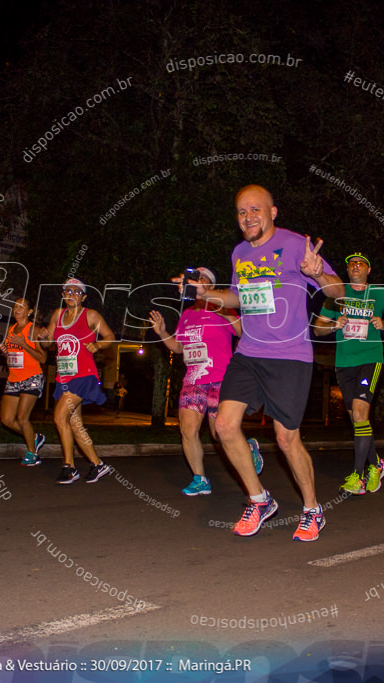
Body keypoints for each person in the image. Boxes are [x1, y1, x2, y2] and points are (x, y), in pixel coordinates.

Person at [197, 184, 344, 541]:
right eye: (241, 212)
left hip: (289, 355)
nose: (247, 217)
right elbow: (238, 294)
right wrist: (209, 294)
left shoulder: (295, 245)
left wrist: (316, 272)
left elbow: (337, 291)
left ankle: (312, 509)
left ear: (272, 212)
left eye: (255, 210)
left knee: (286, 438)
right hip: (249, 351)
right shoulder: (239, 253)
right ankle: (259, 499)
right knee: (224, 426)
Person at [149, 267, 260, 496]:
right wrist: (162, 333)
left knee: (219, 433)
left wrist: (226, 312)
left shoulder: (223, 307)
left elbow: (243, 333)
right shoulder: (187, 314)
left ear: (210, 286)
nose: (196, 282)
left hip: (220, 377)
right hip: (193, 379)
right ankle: (200, 479)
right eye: (194, 279)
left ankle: (248, 447)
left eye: (202, 279)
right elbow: (179, 347)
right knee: (188, 430)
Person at [314, 252, 384, 495]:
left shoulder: (379, 294)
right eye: (351, 264)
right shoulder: (337, 295)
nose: (355, 267)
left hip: (370, 360)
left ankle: (358, 476)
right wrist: (335, 325)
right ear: (348, 270)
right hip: (344, 363)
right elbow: (317, 328)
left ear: (368, 269)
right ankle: (376, 465)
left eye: (360, 263)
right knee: (358, 420)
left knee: (359, 412)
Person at [38, 278, 116, 484]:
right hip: (64, 376)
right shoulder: (57, 314)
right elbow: (47, 345)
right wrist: (43, 336)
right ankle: (98, 464)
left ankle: (69, 466)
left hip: (83, 374)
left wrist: (98, 346)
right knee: (75, 424)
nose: (71, 294)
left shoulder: (90, 315)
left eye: (76, 291)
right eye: (67, 291)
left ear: (83, 296)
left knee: (59, 417)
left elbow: (109, 337)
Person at [0, 297, 47, 466]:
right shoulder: (11, 330)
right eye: (15, 306)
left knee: (22, 417)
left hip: (32, 377)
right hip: (14, 378)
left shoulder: (32, 330)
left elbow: (43, 358)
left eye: (21, 307)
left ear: (29, 311)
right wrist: (6, 352)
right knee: (6, 419)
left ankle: (32, 454)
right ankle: (34, 438)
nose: (17, 309)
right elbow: (13, 359)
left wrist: (24, 344)